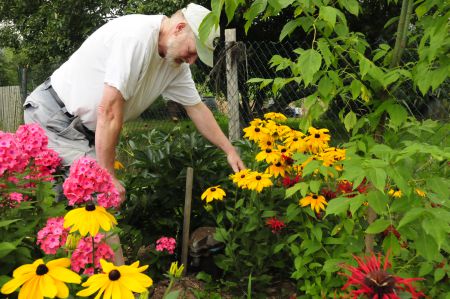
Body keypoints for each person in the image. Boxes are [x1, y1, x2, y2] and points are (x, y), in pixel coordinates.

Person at [23, 3, 245, 264]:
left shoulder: (175, 65)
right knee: (96, 202)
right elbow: (109, 110)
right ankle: (121, 284)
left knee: (76, 213)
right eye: (192, 51)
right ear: (180, 28)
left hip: (82, 130)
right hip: (55, 117)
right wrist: (107, 177)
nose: (193, 60)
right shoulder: (137, 37)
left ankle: (88, 278)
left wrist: (229, 149)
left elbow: (197, 109)